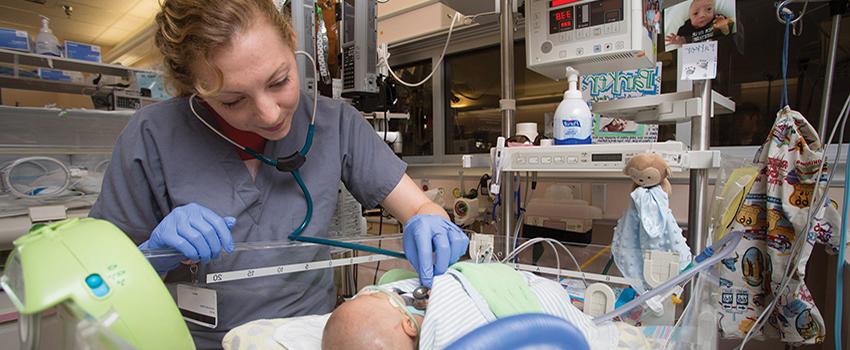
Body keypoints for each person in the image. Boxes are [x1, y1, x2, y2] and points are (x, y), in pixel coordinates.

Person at [89, 0, 468, 347]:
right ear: (195, 88)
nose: (269, 114)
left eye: (279, 81)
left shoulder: (337, 124)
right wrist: (153, 254)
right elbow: (99, 279)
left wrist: (431, 223)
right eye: (233, 100)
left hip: (309, 336)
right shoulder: (152, 136)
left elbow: (419, 209)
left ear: (291, 40)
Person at [321, 264, 651, 350]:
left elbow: (393, 285)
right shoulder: (449, 323)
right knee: (551, 297)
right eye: (386, 297)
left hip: (488, 285)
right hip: (526, 302)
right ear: (408, 325)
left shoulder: (406, 305)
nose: (390, 291)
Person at [665, 0, 734, 46]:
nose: (702, 15)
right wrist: (678, 41)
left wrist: (723, 27)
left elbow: (727, 34)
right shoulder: (686, 28)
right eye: (696, 13)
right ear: (690, 17)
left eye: (709, 9)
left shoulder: (718, 19)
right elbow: (684, 42)